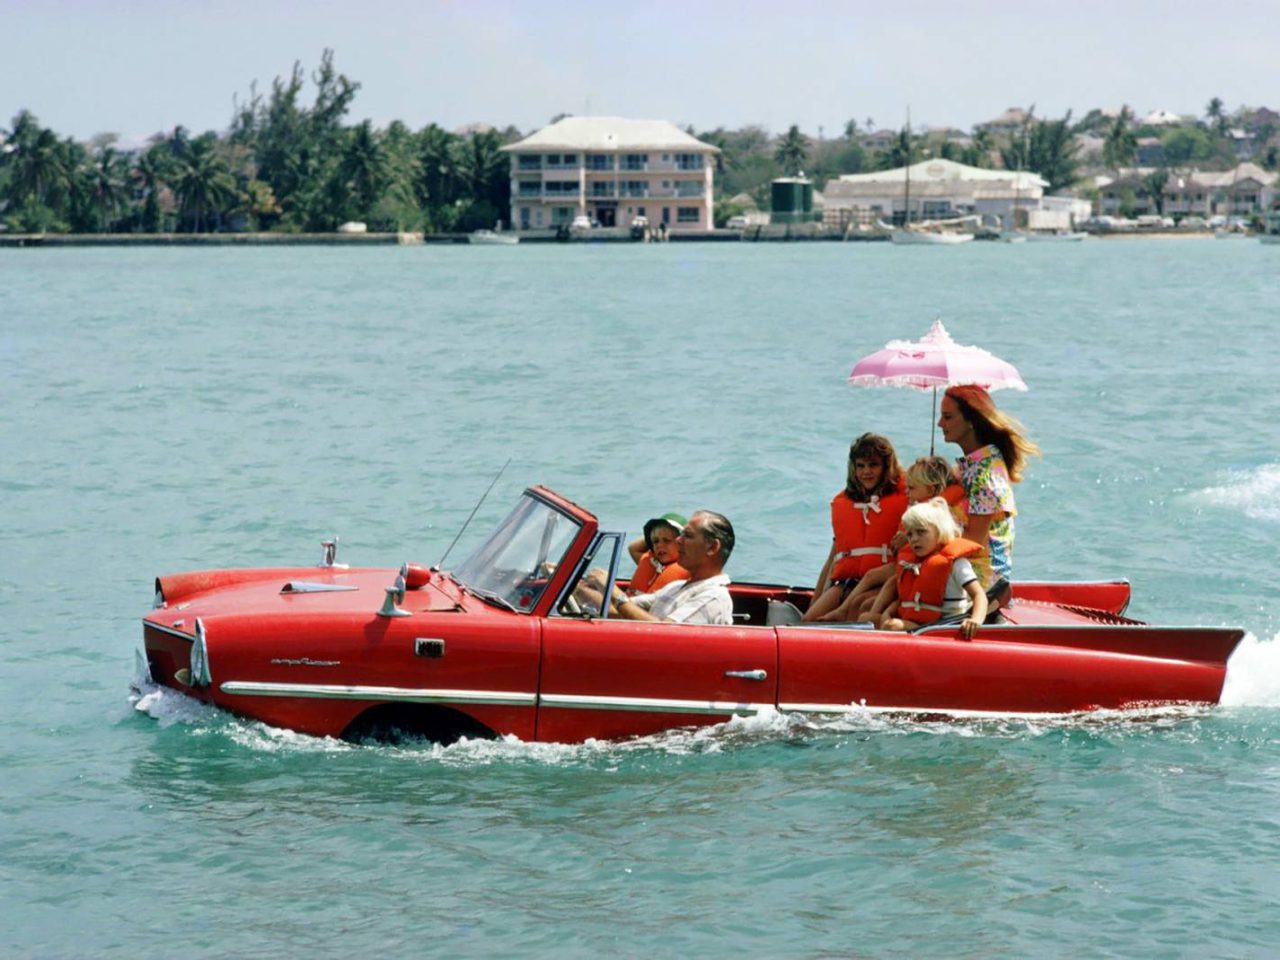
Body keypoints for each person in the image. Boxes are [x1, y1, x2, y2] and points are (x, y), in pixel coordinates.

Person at [819, 455, 964, 621]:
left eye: (912, 488)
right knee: (868, 588)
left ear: (930, 490)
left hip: (920, 565)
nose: (907, 492)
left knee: (871, 581)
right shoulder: (917, 507)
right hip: (908, 562)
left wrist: (907, 539)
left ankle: (853, 614)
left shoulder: (934, 512)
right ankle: (849, 614)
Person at [937, 385, 1040, 588]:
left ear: (971, 421)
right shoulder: (973, 465)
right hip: (962, 570)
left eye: (948, 417)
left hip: (981, 581)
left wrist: (923, 543)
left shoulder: (984, 476)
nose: (940, 424)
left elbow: (973, 542)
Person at [802, 433, 906, 622]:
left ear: (886, 466)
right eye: (861, 466)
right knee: (809, 621)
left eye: (873, 465)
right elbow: (833, 558)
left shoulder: (905, 500)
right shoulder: (845, 503)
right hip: (845, 583)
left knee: (857, 609)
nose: (866, 471)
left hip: (880, 582)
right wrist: (815, 601)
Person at [863, 497, 988, 639]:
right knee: (866, 619)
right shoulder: (912, 564)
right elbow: (905, 599)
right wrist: (887, 613)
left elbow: (979, 595)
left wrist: (975, 620)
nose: (914, 539)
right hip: (918, 624)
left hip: (943, 627)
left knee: (892, 626)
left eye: (921, 532)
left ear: (939, 531)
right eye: (910, 534)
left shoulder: (957, 564)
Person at [584, 511, 735, 625]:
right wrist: (578, 588)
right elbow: (619, 609)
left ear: (712, 547)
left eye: (687, 536)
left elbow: (665, 634)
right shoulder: (676, 587)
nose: (678, 540)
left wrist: (613, 591)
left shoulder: (712, 598)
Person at [626, 512, 689, 595]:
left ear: (682, 543)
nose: (659, 545)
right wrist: (655, 534)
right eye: (655, 541)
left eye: (666, 540)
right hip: (630, 604)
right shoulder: (653, 562)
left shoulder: (687, 569)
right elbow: (633, 548)